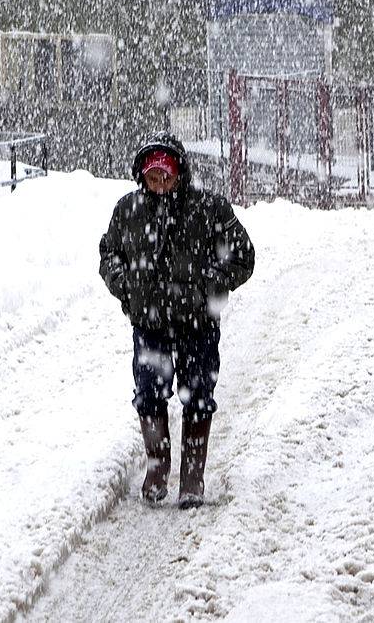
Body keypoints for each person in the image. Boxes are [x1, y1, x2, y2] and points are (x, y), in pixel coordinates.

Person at [98, 132, 255, 508]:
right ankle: (157, 467)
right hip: (149, 322)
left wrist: (212, 285)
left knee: (198, 395)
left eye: (167, 177)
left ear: (180, 174)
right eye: (153, 178)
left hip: (197, 321)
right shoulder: (128, 211)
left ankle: (192, 478)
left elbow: (244, 256)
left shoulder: (209, 209)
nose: (161, 185)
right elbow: (109, 254)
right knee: (149, 394)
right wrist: (127, 288)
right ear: (143, 177)